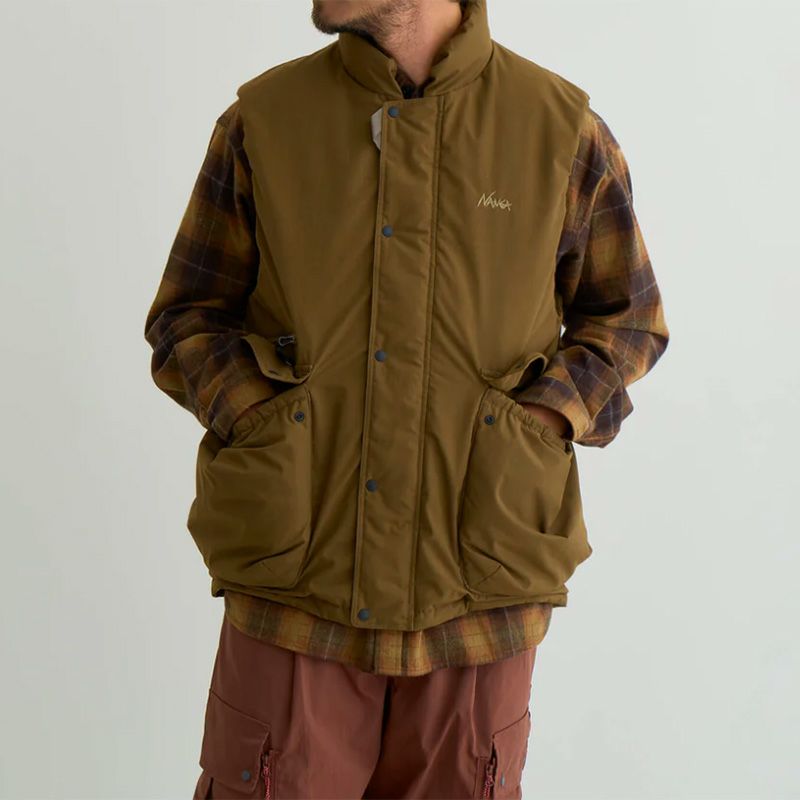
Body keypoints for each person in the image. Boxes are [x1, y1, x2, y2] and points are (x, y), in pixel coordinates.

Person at [143, 0, 670, 796]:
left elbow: (627, 319)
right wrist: (261, 417)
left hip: (482, 580)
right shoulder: (265, 123)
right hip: (297, 576)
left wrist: (536, 422)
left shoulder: (559, 130)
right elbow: (189, 314)